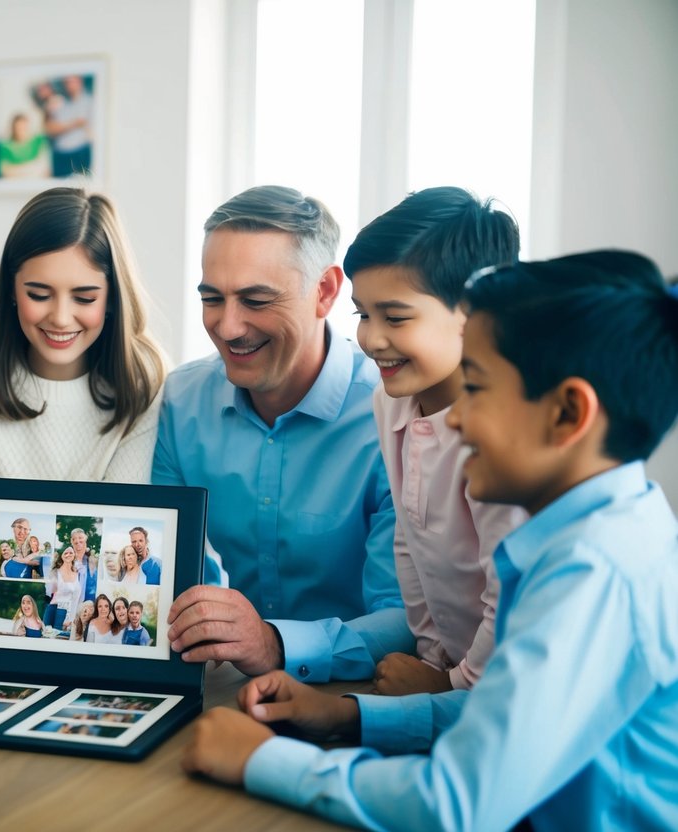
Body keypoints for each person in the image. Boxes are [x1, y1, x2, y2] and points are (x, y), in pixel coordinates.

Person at [181, 251, 678, 831]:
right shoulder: (602, 533)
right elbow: (499, 720)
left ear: (567, 414)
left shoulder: (596, 571)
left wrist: (261, 759)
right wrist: (345, 715)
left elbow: (456, 803)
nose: (457, 419)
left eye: (478, 388)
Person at [155, 185, 410, 680]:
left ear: (326, 291)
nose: (228, 327)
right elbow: (169, 580)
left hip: (356, 695)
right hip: (214, 688)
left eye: (255, 299)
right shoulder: (178, 403)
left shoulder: (392, 412)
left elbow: (406, 615)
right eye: (212, 299)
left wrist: (274, 644)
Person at [345, 187, 526, 694]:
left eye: (396, 317)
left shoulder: (501, 431)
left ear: (476, 314)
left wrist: (452, 685)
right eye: (361, 314)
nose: (371, 338)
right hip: (445, 671)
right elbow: (411, 542)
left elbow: (507, 588)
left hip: (503, 685)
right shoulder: (390, 401)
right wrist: (431, 660)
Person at [0, 188, 164, 525]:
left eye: (84, 298)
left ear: (111, 299)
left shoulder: (143, 382)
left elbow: (118, 526)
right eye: (39, 294)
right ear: (12, 288)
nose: (61, 318)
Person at [44, 75, 93, 177]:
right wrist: (75, 123)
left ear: (79, 82)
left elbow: (84, 123)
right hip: (61, 156)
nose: (68, 85)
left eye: (71, 82)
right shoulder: (61, 102)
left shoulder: (89, 101)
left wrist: (63, 126)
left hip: (80, 153)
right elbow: (50, 129)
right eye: (66, 83)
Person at [44, 547, 81, 630]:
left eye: (71, 553)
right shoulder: (55, 572)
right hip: (59, 611)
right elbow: (49, 592)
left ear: (74, 555)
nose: (68, 555)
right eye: (65, 553)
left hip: (73, 614)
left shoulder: (77, 572)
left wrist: (73, 618)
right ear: (61, 556)